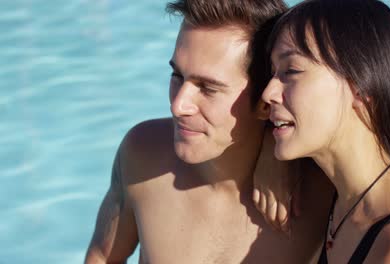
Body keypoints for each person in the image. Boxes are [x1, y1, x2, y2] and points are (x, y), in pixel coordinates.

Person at [85, 0, 333, 263]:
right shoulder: (142, 153)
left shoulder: (324, 190)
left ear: (265, 100)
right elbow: (102, 256)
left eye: (207, 88)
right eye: (177, 76)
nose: (178, 105)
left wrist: (276, 153)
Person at [257, 0, 390, 263]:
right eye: (273, 73)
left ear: (361, 87)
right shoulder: (345, 201)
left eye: (291, 71)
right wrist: (269, 157)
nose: (268, 93)